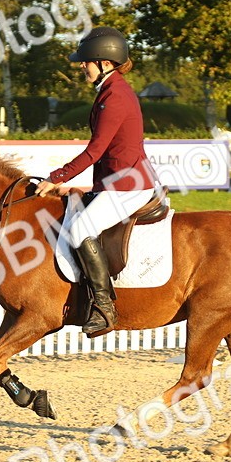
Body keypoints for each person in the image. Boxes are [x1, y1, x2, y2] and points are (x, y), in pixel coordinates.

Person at [34, 26, 160, 334]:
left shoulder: (115, 96)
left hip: (129, 184)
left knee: (80, 229)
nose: (81, 66)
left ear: (104, 62)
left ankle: (104, 307)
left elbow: (95, 151)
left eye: (85, 61)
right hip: (116, 181)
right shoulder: (110, 90)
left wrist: (56, 177)